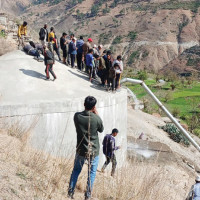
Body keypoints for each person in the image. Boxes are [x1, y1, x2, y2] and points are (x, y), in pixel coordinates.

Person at [68, 96, 104, 200]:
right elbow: (101, 129)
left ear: (84, 104)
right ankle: (87, 196)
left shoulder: (77, 116)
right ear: (94, 107)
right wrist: (96, 114)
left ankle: (70, 193)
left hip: (81, 149)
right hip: (94, 150)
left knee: (76, 170)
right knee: (91, 173)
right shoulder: (96, 118)